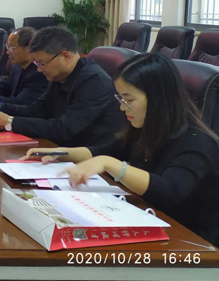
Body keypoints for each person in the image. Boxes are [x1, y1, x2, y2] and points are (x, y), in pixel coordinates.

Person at [22, 53, 219, 245]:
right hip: (144, 220)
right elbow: (106, 151)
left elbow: (169, 191)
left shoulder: (199, 142)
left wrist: (111, 164)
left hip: (185, 242)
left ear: (158, 99)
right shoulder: (147, 127)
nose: (123, 108)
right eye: (121, 100)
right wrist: (60, 153)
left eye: (129, 101)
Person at [0, 27, 124, 147]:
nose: (39, 69)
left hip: (90, 159)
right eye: (37, 63)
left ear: (65, 56)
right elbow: (37, 110)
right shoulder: (59, 75)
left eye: (42, 63)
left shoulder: (94, 82)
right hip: (59, 147)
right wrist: (0, 107)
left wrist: (10, 122)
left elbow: (64, 129)